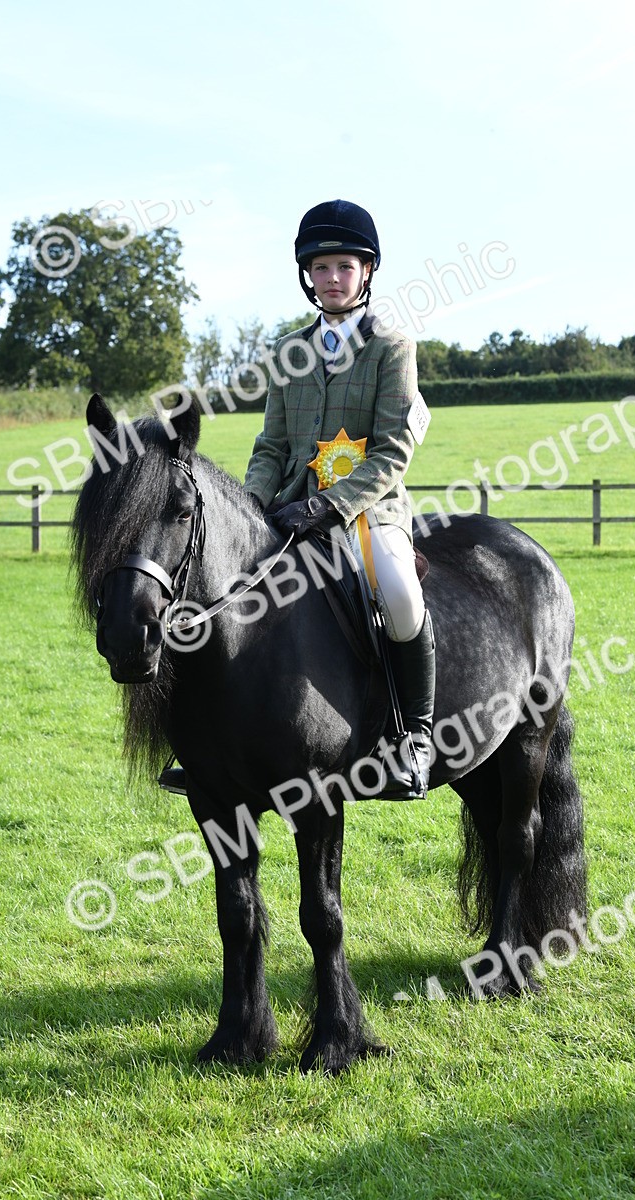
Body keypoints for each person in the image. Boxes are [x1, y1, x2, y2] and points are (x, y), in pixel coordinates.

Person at [160, 199, 434, 800]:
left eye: (344, 267)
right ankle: (209, 745)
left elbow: (393, 451)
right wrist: (249, 507)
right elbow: (271, 445)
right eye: (320, 268)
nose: (331, 278)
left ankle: (413, 737)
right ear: (306, 276)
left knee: (401, 595)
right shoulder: (289, 351)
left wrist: (330, 506)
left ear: (366, 272)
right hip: (284, 511)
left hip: (369, 510)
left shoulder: (392, 345)